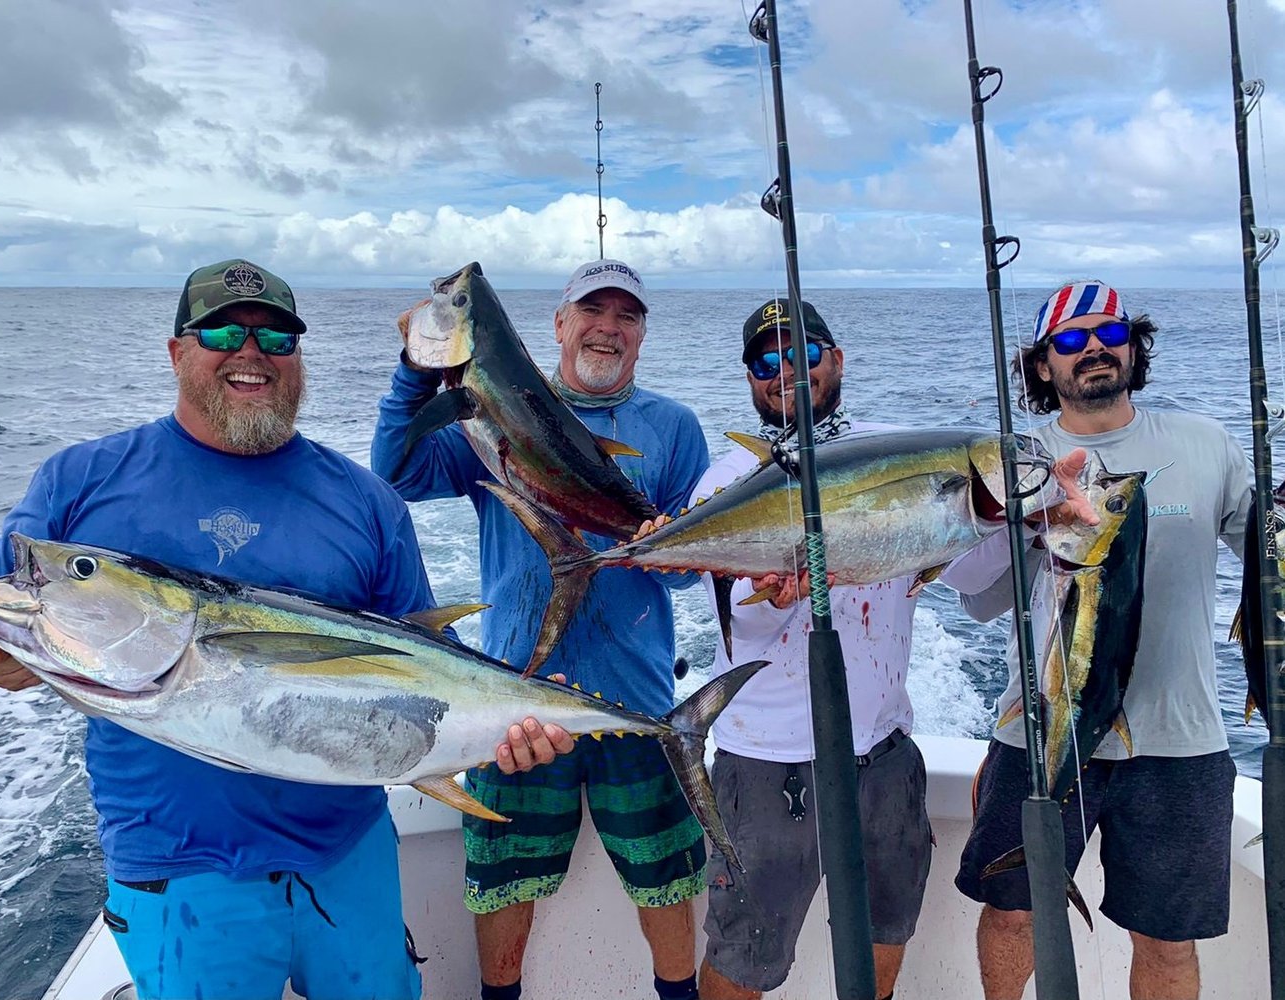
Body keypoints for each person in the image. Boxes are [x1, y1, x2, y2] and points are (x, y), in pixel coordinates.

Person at [0, 258, 574, 1000]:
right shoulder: (81, 480)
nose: (252, 352)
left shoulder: (366, 501)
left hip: (348, 850)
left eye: (277, 337)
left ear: (298, 360)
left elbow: (430, 666)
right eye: (222, 331)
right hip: (178, 863)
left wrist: (515, 722)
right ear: (178, 352)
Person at [372, 259, 710, 1000]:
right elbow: (394, 472)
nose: (608, 328)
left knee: (665, 885)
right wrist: (414, 369)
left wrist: (668, 543)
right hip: (514, 701)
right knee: (503, 887)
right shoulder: (481, 414)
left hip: (635, 705)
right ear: (558, 325)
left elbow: (693, 572)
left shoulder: (674, 428)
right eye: (593, 310)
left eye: (627, 316)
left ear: (643, 335)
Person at [942, 279, 1250, 1000]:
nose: (1093, 350)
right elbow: (973, 593)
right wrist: (1018, 517)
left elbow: (1267, 560)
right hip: (1043, 728)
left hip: (1179, 740)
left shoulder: (1207, 443)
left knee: (1168, 940)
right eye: (1071, 341)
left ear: (1134, 348)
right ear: (1044, 364)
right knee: (1013, 912)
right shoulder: (1013, 463)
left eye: (1109, 333)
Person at [688, 299, 932, 1000]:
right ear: (749, 379)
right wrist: (771, 592)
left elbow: (976, 573)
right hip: (767, 763)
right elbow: (747, 626)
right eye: (766, 361)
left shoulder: (898, 454)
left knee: (889, 929)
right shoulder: (724, 483)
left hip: (882, 750)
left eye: (804, 352)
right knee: (745, 956)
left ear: (838, 359)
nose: (786, 371)